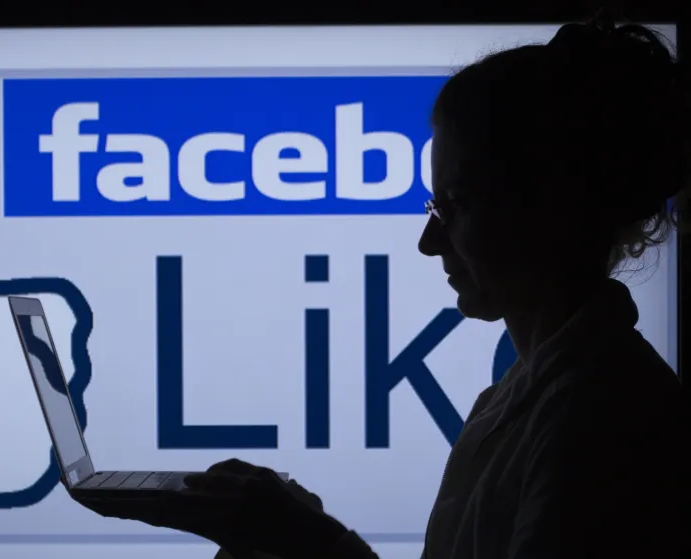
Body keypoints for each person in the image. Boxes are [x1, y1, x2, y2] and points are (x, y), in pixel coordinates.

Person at [76, 14, 689, 559]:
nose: (429, 241)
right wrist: (300, 536)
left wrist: (310, 541)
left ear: (550, 206)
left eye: (454, 204)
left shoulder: (602, 423)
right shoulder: (532, 399)